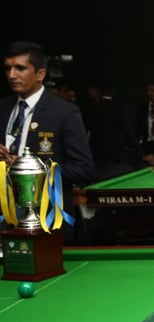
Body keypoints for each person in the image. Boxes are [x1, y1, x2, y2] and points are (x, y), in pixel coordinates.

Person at [0, 41, 95, 243]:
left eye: (20, 68)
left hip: (48, 222)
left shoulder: (65, 113)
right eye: (8, 68)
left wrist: (30, 168)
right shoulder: (2, 109)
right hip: (4, 220)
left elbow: (84, 170)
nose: (12, 75)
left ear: (40, 74)